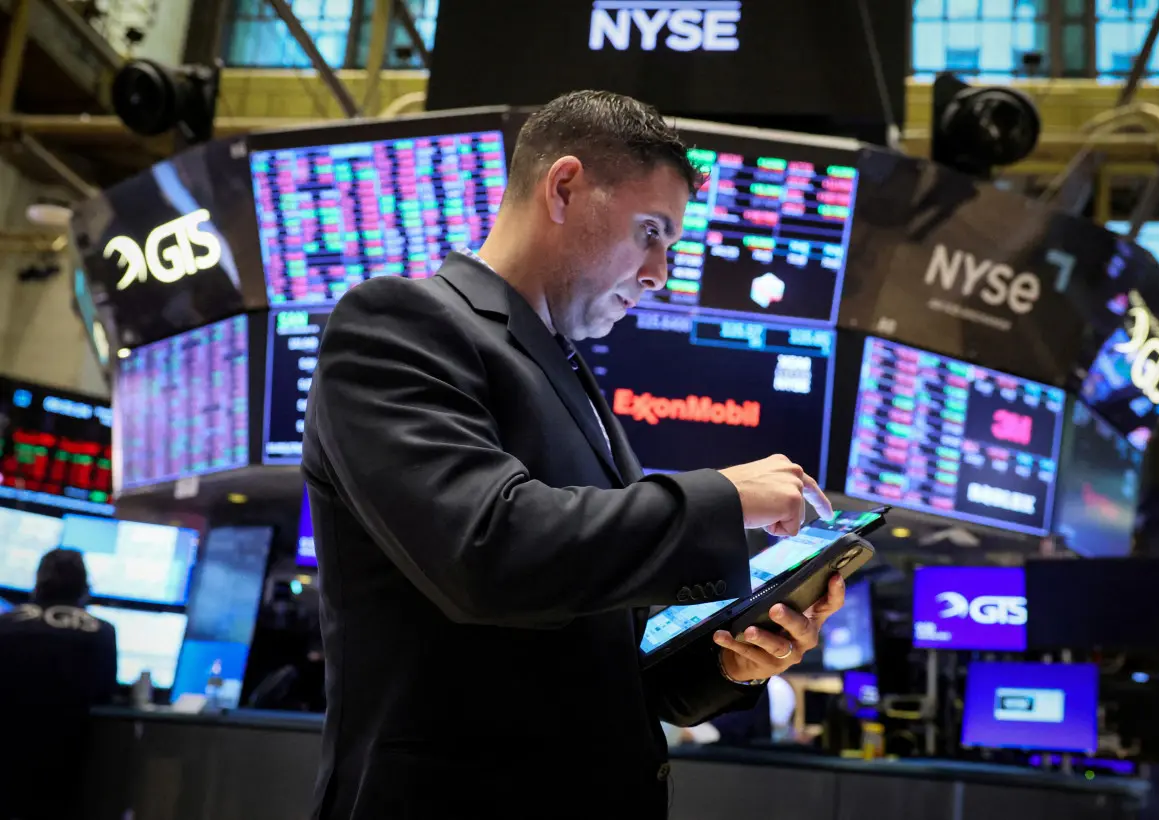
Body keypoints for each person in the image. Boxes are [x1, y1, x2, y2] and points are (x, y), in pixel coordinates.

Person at [303, 89, 845, 818]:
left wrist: (734, 658)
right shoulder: (400, 324)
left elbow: (624, 665)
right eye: (650, 232)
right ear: (563, 187)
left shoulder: (574, 378)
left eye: (671, 246)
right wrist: (724, 494)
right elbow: (487, 552)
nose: (660, 273)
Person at [0, 549, 117, 820]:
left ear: (37, 585)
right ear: (84, 589)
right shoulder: (101, 632)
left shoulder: (6, 625)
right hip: (67, 766)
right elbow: (105, 692)